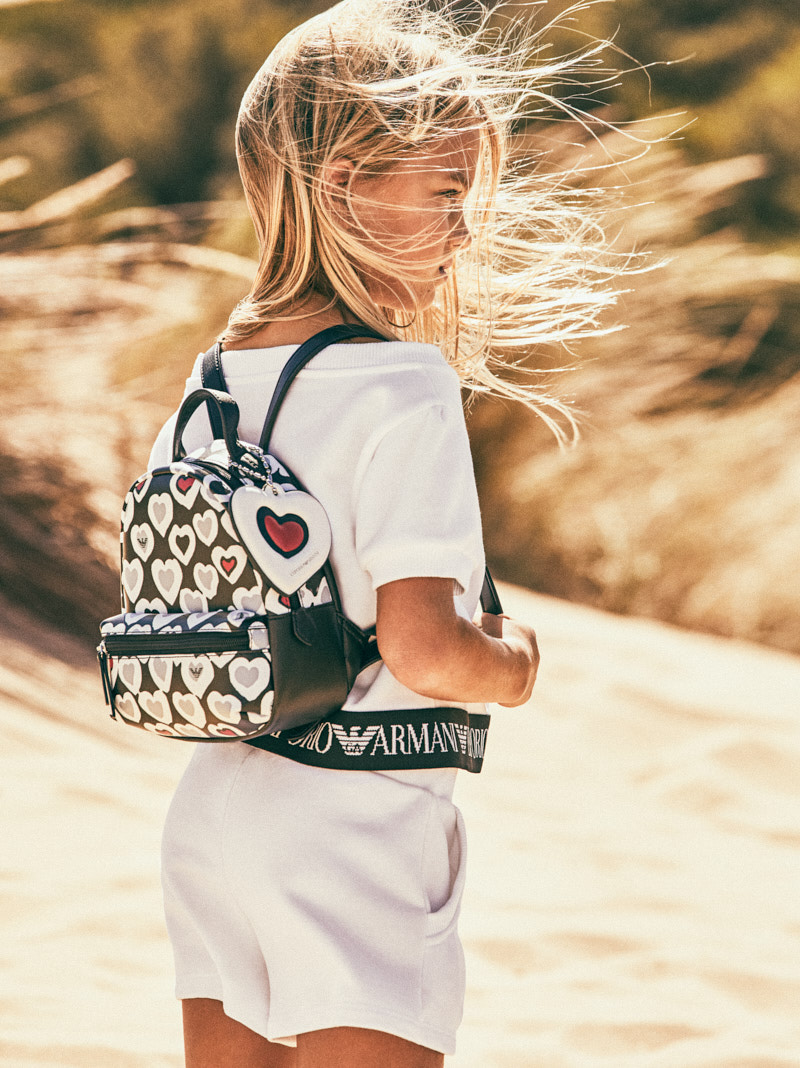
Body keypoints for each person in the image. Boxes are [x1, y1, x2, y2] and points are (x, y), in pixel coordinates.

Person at [148, 1, 620, 1064]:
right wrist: (512, 665)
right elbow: (420, 646)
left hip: (217, 803)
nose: (465, 229)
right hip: (353, 814)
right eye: (447, 193)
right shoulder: (400, 383)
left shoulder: (213, 376)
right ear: (346, 184)